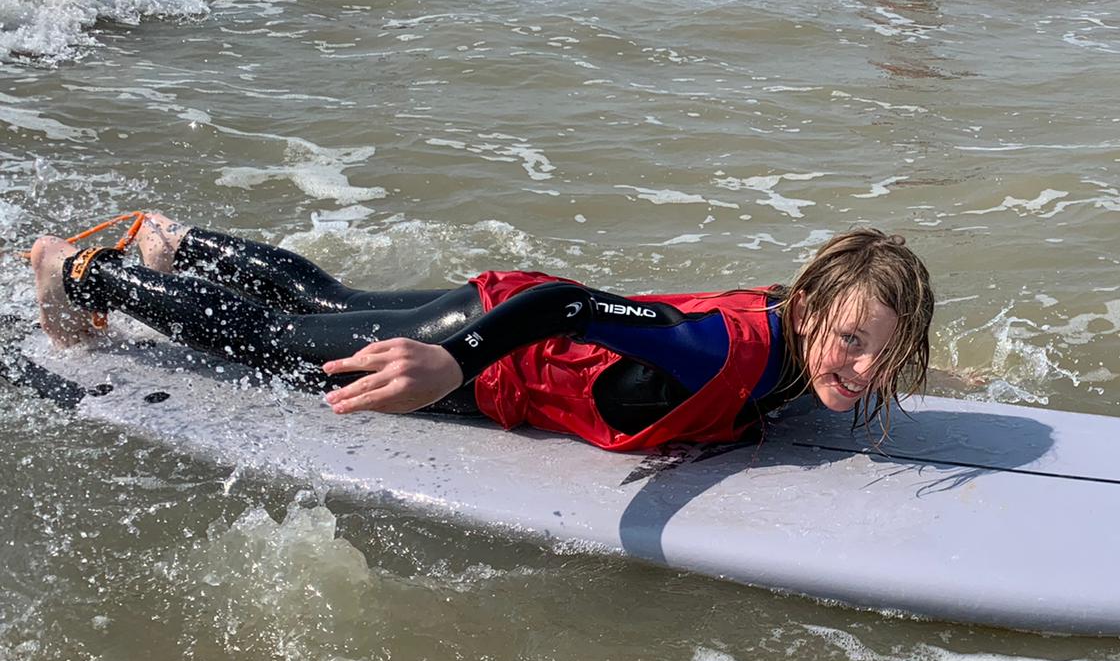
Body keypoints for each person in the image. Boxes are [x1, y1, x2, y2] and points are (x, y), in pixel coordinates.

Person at [28, 217, 935, 452]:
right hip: (503, 349)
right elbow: (571, 304)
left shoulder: (806, 340)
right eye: (852, 342)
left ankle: (182, 247)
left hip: (507, 320)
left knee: (335, 299)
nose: (862, 370)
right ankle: (78, 272)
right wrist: (447, 363)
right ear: (807, 309)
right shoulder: (723, 350)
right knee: (280, 341)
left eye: (884, 355)